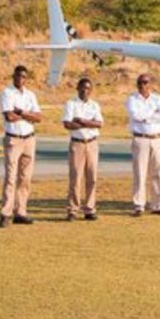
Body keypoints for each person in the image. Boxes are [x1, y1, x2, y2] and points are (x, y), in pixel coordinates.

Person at [0, 64, 42, 227]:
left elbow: (39, 117)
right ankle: (5, 213)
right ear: (13, 76)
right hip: (14, 138)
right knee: (10, 177)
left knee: (25, 178)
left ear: (26, 78)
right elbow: (9, 116)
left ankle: (20, 211)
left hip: (29, 138)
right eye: (17, 76)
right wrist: (27, 115)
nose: (20, 79)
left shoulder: (30, 95)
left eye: (23, 76)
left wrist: (22, 113)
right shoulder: (7, 93)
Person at [126, 73, 160, 216]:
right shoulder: (132, 99)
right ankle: (139, 205)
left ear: (150, 84)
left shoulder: (158, 98)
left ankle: (157, 205)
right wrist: (153, 114)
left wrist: (147, 117)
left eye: (145, 82)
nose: (143, 85)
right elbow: (135, 115)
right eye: (140, 83)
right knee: (140, 173)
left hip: (157, 139)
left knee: (157, 172)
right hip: (140, 138)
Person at [62, 77, 103, 221]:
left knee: (92, 177)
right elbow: (67, 124)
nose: (85, 91)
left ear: (91, 90)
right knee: (76, 177)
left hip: (92, 143)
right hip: (77, 143)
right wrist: (88, 124)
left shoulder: (94, 105)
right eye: (83, 88)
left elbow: (99, 123)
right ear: (77, 88)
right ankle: (73, 209)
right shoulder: (71, 104)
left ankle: (90, 208)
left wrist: (83, 121)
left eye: (88, 88)